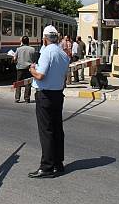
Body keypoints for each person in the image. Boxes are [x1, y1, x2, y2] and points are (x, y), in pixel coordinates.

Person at [28, 25, 70, 178]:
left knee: (46, 131)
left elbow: (40, 75)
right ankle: (58, 164)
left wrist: (32, 69)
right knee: (57, 129)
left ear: (45, 39)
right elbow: (64, 77)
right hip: (58, 95)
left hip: (45, 95)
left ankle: (46, 167)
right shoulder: (63, 54)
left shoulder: (47, 52)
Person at [14, 36, 35, 103]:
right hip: (28, 68)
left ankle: (17, 98)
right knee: (28, 83)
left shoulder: (18, 49)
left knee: (19, 82)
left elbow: (15, 59)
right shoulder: (32, 49)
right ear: (28, 42)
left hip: (20, 68)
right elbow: (34, 60)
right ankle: (27, 98)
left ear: (22, 42)